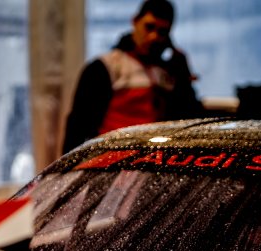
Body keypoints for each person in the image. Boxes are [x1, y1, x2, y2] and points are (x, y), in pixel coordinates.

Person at [61, 0, 204, 154]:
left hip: (156, 156)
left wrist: (183, 80)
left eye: (162, 32)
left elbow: (190, 122)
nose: (154, 37)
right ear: (135, 21)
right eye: (149, 27)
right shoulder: (107, 66)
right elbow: (78, 124)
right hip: (111, 155)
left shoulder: (169, 72)